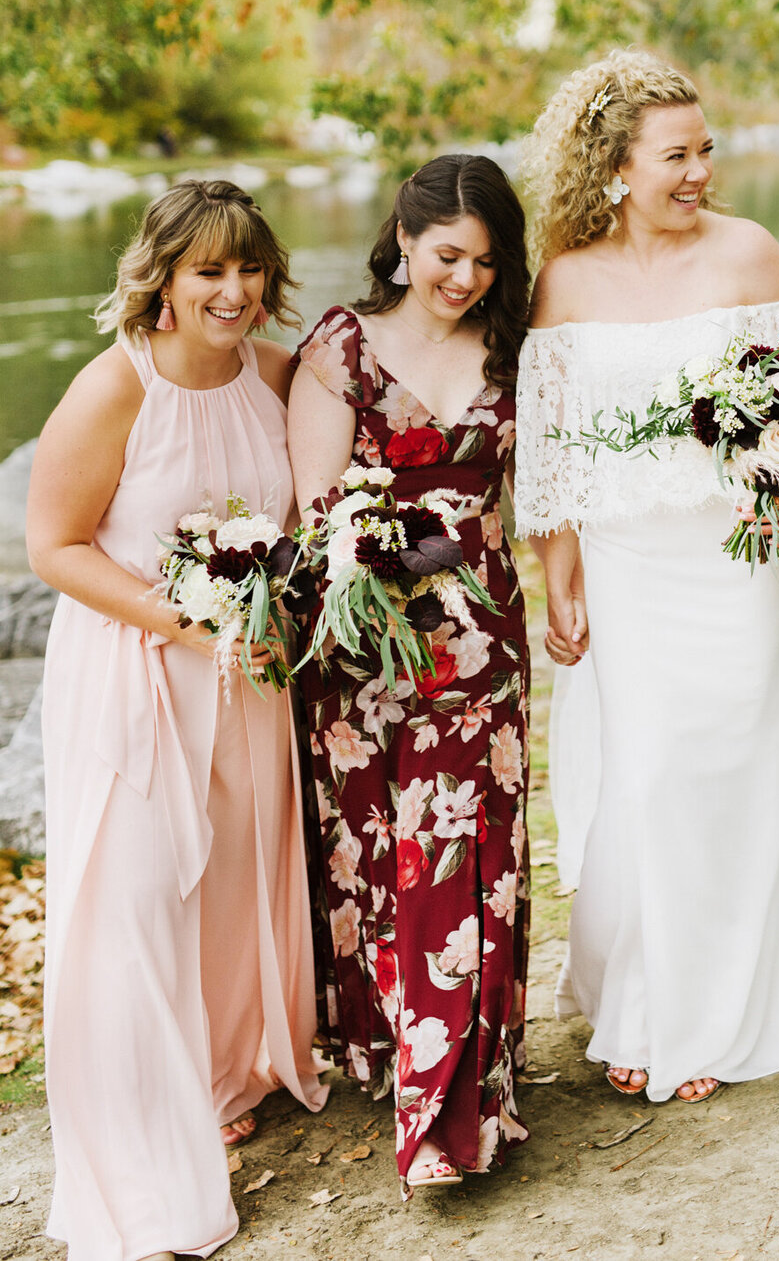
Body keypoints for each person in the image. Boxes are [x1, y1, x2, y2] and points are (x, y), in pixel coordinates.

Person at [514, 50, 779, 1106]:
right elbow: (551, 439)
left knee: (741, 768)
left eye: (705, 148)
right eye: (678, 154)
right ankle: (647, 1001)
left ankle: (729, 1009)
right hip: (628, 561)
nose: (701, 169)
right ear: (615, 167)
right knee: (650, 772)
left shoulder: (752, 256)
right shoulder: (566, 279)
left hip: (740, 555)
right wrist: (556, 569)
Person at [28, 178, 327, 1261]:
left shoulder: (277, 376)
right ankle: (136, 1165)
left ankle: (227, 1070)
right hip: (136, 666)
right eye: (210, 270)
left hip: (247, 672)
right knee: (134, 899)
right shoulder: (117, 387)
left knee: (241, 875)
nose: (235, 290)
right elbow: (54, 548)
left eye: (250, 268)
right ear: (161, 278)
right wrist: (182, 621)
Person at [288, 153, 532, 1192]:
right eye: (447, 254)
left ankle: (456, 1106)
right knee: (377, 856)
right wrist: (374, 574)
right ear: (402, 240)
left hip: (483, 637)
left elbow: (538, 491)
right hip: (368, 638)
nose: (465, 277)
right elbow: (315, 512)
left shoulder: (515, 353)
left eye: (484, 260)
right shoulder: (343, 346)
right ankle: (396, 1056)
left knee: (468, 855)